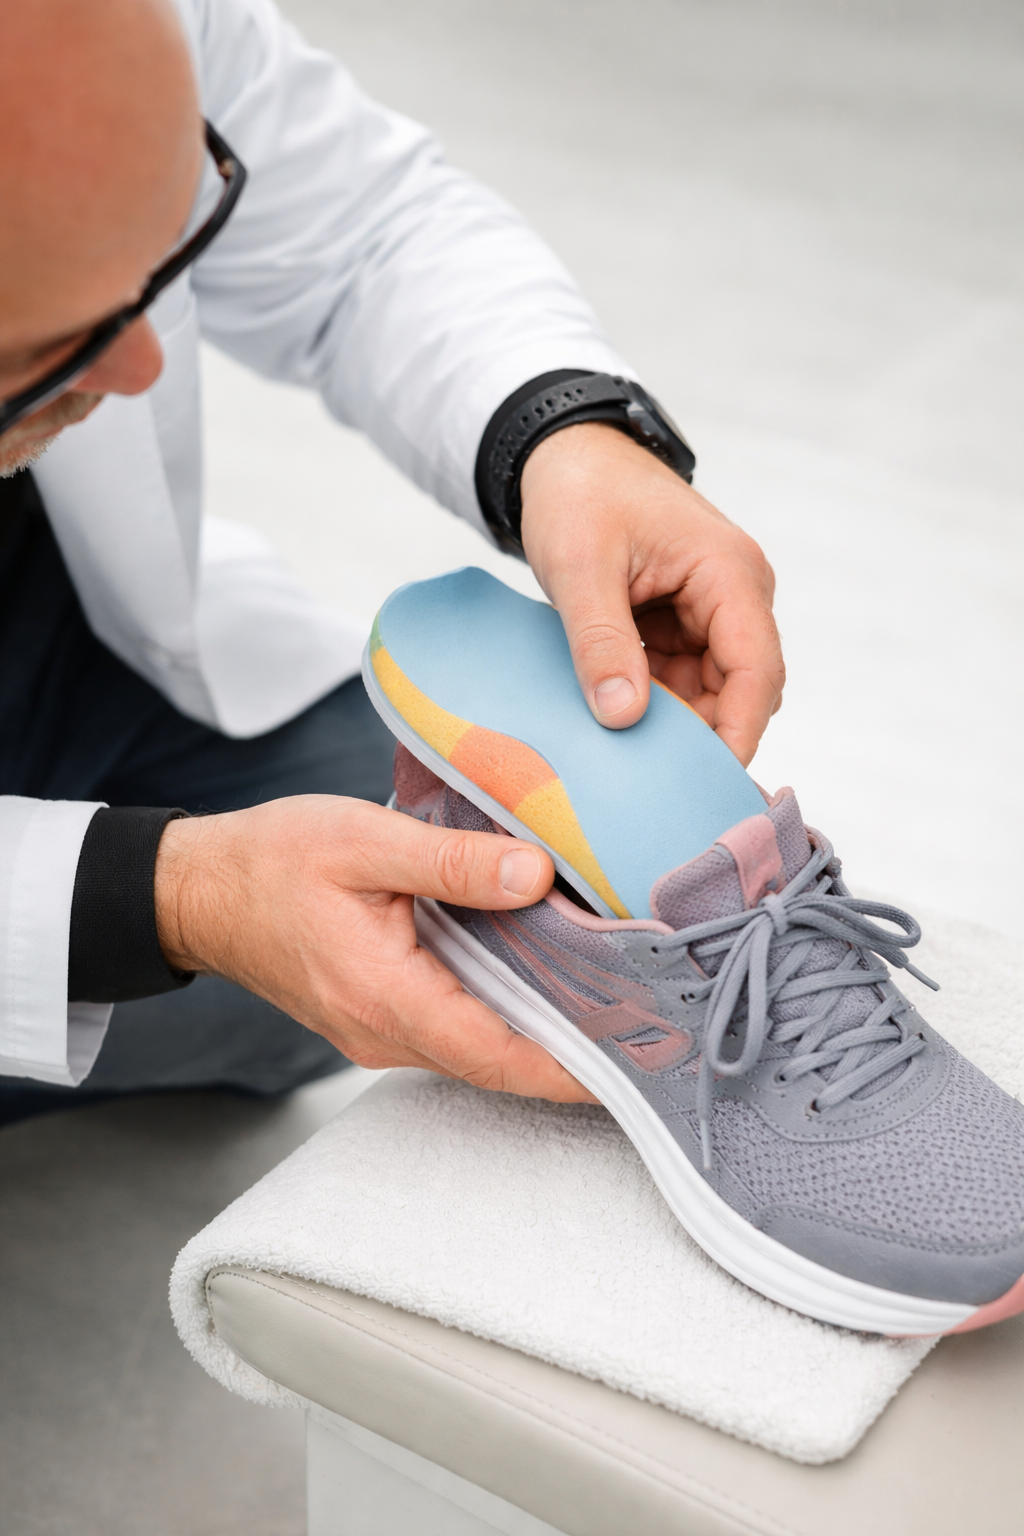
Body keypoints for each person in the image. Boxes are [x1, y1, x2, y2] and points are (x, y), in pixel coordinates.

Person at [0, 0, 784, 1113]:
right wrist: (165, 902)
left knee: (465, 897)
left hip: (76, 656)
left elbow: (362, 231)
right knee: (353, 964)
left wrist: (562, 432)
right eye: (43, 347)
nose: (141, 369)